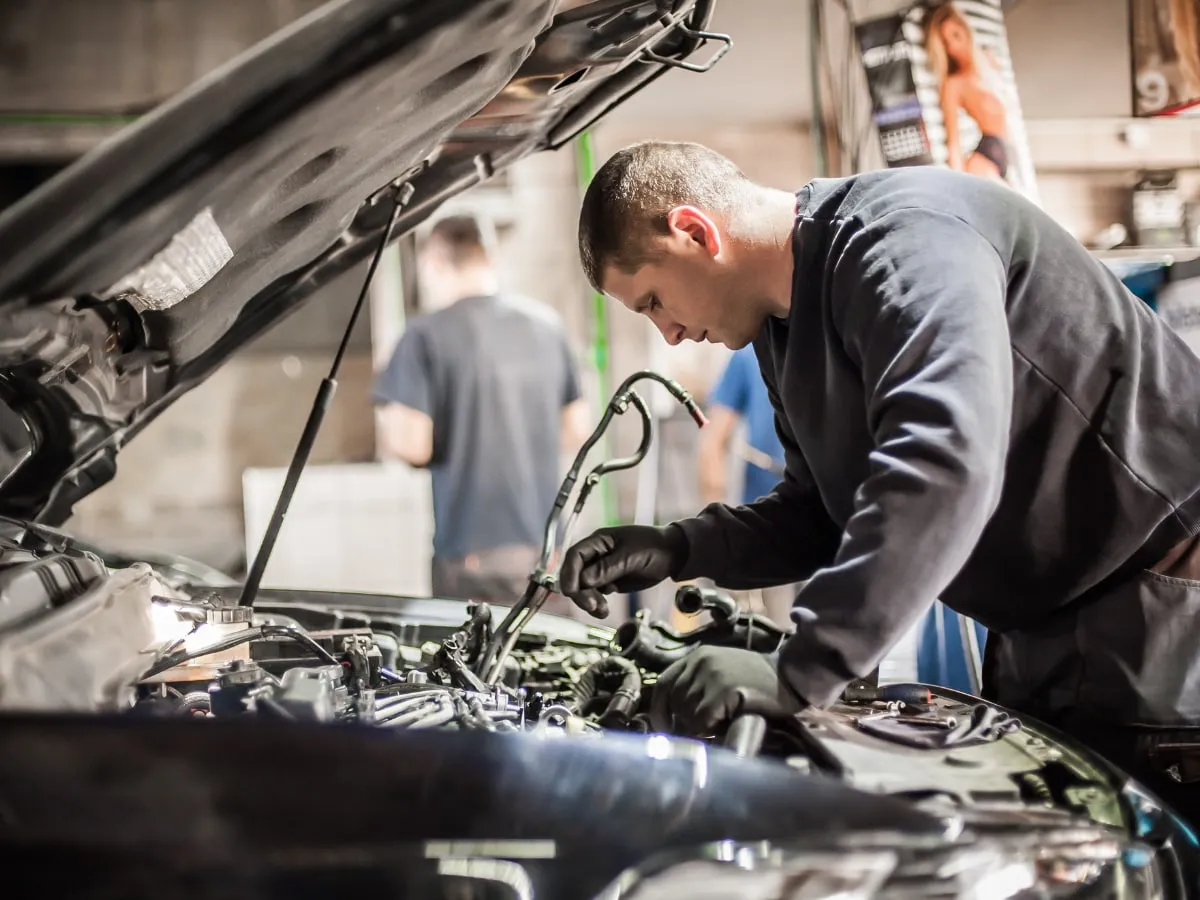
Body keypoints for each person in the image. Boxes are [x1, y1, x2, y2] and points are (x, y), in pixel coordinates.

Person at [558, 140, 1200, 821]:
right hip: (1050, 632)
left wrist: (800, 671)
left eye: (654, 300)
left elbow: (944, 461)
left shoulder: (904, 239)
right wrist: (677, 549)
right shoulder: (783, 329)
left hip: (1158, 616)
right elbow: (820, 512)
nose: (670, 335)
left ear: (695, 231)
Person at [374, 214, 590, 610]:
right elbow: (576, 429)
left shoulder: (424, 336)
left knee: (474, 666)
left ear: (433, 263)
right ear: (488, 258)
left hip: (470, 550)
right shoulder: (547, 326)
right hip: (545, 547)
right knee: (546, 663)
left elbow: (412, 445)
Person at [696, 345, 794, 627]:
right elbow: (712, 443)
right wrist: (715, 537)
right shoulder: (751, 353)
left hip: (832, 524)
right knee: (770, 634)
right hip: (769, 527)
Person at [925, 2, 1010, 182]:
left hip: (1004, 155)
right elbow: (954, 143)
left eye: (956, 36)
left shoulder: (990, 62)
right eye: (946, 43)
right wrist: (960, 185)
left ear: (965, 29)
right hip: (983, 160)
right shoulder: (954, 84)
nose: (953, 48)